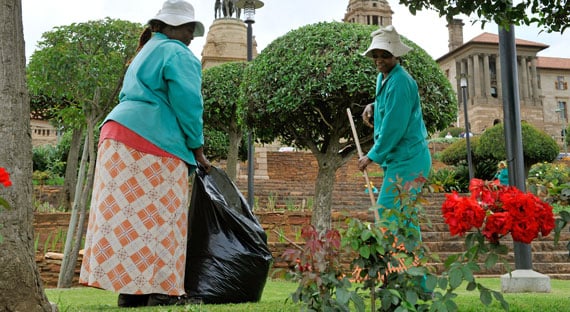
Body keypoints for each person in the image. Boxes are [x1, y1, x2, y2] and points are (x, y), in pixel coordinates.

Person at [79, 0, 211, 307]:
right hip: (153, 140)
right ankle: (162, 292)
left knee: (130, 222)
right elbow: (190, 106)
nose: (192, 34)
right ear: (172, 26)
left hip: (117, 135)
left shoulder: (146, 51)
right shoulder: (177, 54)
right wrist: (198, 150)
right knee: (164, 217)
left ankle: (131, 294)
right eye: (188, 27)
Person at [358, 25, 432, 236]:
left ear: (396, 55)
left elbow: (394, 126)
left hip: (409, 159)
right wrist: (372, 105)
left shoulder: (401, 81)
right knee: (405, 217)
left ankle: (396, 265)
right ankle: (408, 267)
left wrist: (371, 156)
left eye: (385, 55)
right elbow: (387, 103)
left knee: (389, 213)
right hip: (397, 158)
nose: (379, 60)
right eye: (376, 55)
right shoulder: (384, 77)